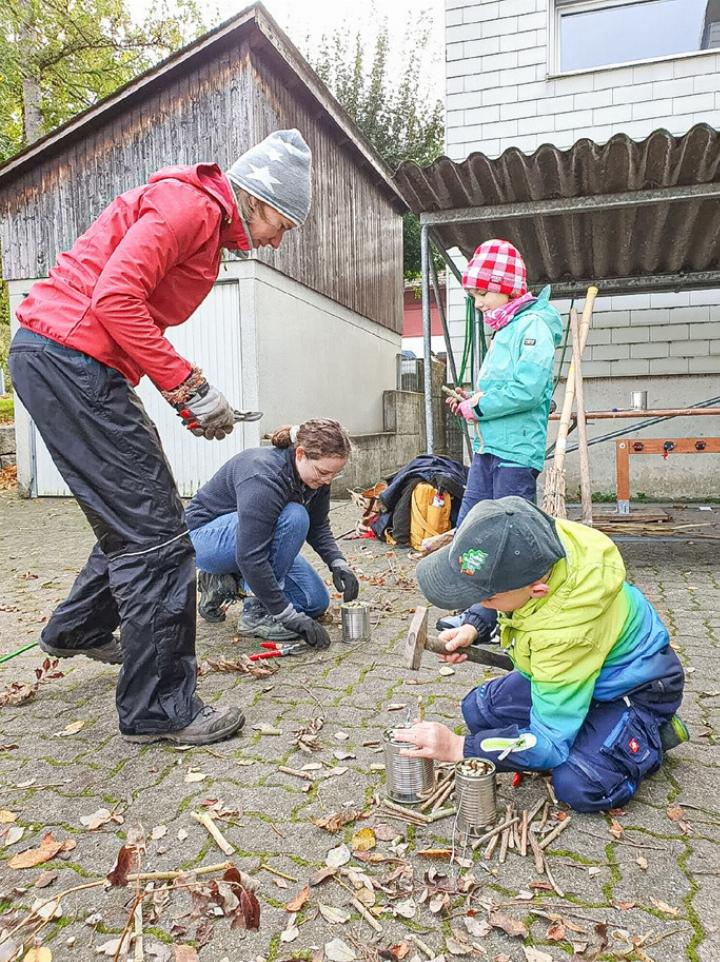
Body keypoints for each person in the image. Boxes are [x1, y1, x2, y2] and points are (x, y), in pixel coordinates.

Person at [9, 129, 312, 746]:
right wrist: (187, 384)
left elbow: (124, 313)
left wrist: (185, 398)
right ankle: (158, 708)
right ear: (259, 200)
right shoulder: (191, 207)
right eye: (285, 224)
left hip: (67, 360)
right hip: (70, 359)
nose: (281, 240)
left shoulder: (203, 220)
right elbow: (116, 299)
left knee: (139, 522)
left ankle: (79, 629)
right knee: (161, 542)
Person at [394, 497, 688, 812]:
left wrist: (457, 747)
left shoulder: (566, 634)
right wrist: (474, 625)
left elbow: (548, 746)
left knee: (578, 783)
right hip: (577, 671)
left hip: (638, 687)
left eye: (486, 599)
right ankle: (582, 719)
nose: (480, 601)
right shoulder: (537, 541)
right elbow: (499, 583)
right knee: (479, 711)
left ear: (537, 591)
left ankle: (651, 735)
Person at [439, 239, 562, 636]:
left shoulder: (534, 327)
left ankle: (495, 616)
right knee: (473, 525)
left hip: (515, 454)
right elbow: (504, 389)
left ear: (508, 286)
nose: (477, 303)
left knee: (507, 537)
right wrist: (473, 400)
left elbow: (527, 390)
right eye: (473, 295)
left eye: (482, 293)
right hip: (490, 448)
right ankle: (474, 607)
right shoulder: (507, 327)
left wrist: (481, 406)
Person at [188, 419, 359, 646]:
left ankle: (224, 583)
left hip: (253, 539)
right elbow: (250, 556)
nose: (327, 480)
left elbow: (318, 526)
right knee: (295, 516)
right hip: (204, 539)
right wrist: (285, 616)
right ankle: (255, 614)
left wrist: (338, 564)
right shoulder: (264, 477)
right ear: (300, 455)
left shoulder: (316, 478)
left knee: (314, 602)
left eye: (333, 474)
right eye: (323, 472)